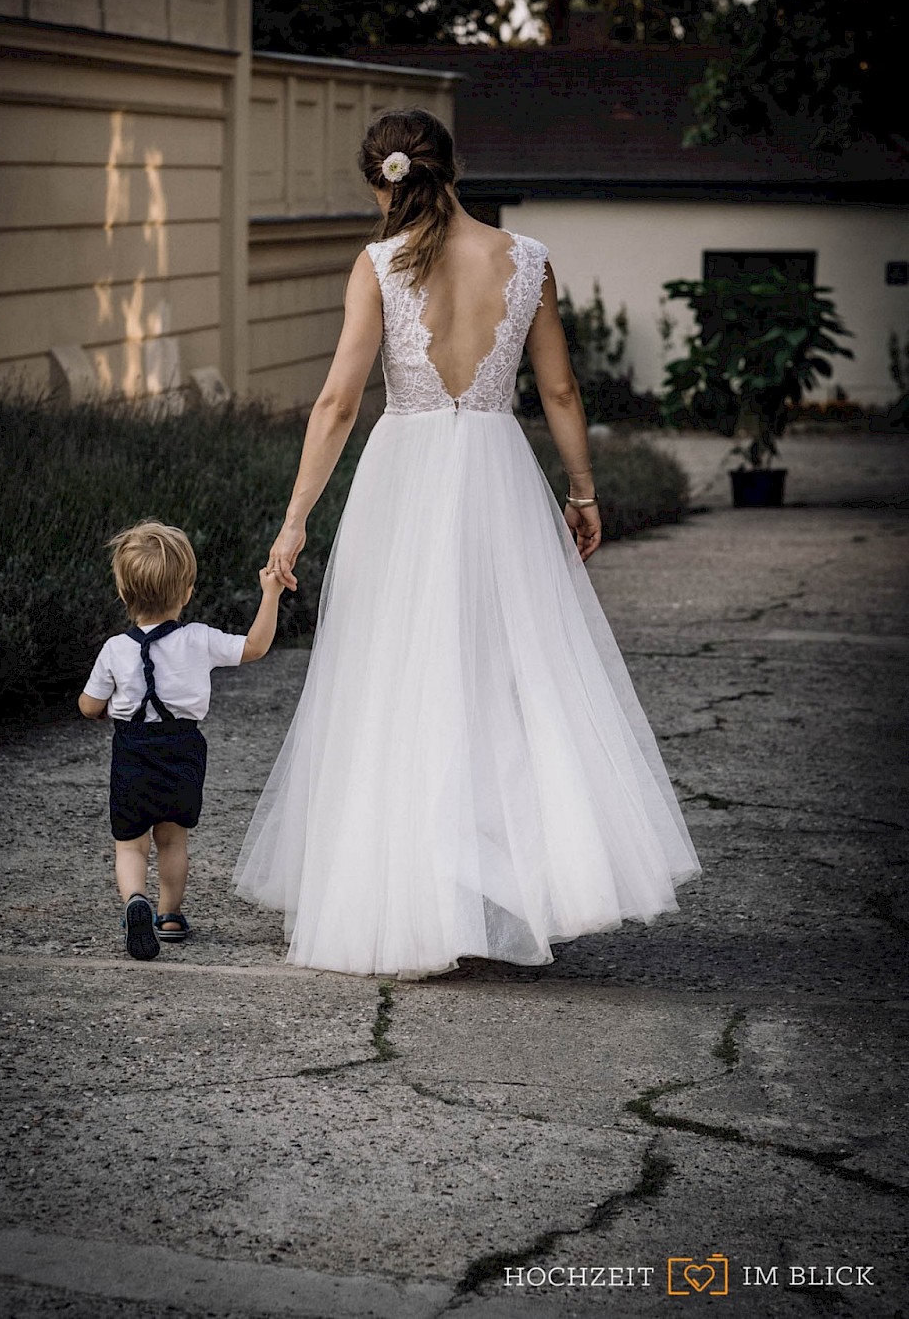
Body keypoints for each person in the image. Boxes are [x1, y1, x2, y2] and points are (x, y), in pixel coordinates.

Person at [232, 107, 702, 981]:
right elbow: (559, 390)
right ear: (454, 168)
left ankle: (408, 899)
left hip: (403, 478)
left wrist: (295, 519)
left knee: (394, 676)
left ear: (383, 182)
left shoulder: (376, 265)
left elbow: (338, 404)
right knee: (504, 675)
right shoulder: (526, 260)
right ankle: (506, 887)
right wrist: (583, 491)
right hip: (495, 474)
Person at [79, 520, 286, 961]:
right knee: (172, 840)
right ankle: (169, 916)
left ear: (123, 593)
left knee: (131, 843)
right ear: (187, 591)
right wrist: (270, 594)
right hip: (182, 752)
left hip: (132, 752)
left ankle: (135, 900)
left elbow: (87, 705)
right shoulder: (199, 639)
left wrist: (103, 706)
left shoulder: (115, 648)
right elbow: (254, 647)